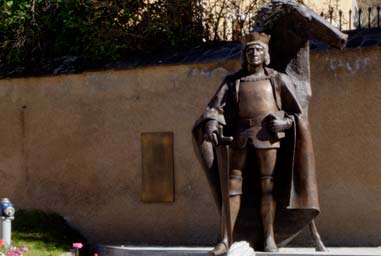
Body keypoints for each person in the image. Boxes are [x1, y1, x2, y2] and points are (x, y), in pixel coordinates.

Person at [192, 32, 320, 255]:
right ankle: (225, 239)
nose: (254, 53)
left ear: (266, 54)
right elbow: (214, 108)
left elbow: (295, 113)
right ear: (244, 54)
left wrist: (284, 123)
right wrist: (212, 123)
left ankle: (269, 237)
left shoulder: (278, 79)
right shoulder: (233, 81)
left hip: (267, 138)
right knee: (232, 188)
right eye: (249, 50)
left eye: (258, 49)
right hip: (239, 137)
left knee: (267, 187)